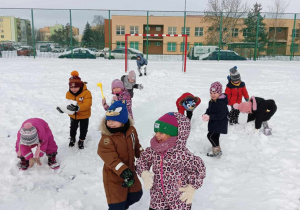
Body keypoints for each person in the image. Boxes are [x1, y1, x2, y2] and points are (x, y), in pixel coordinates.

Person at [136, 112, 206, 210]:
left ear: (174, 134)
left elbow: (199, 168)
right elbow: (142, 160)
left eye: (161, 132)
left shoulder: (182, 153)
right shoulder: (154, 150)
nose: (157, 135)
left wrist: (192, 187)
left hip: (178, 197)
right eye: (156, 132)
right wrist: (143, 172)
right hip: (158, 197)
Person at [98, 100, 143, 210]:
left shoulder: (131, 131)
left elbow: (137, 146)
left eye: (114, 120)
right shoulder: (107, 137)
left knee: (136, 194)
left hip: (130, 171)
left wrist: (144, 156)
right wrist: (123, 170)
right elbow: (109, 157)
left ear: (123, 120)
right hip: (114, 176)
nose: (110, 123)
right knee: (117, 205)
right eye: (108, 120)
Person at [58, 70, 92, 149]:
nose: (73, 89)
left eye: (76, 87)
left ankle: (81, 140)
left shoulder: (86, 93)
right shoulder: (68, 93)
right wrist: (63, 109)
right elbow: (67, 103)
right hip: (73, 116)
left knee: (83, 129)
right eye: (71, 87)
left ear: (80, 86)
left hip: (84, 115)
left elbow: (88, 104)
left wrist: (78, 107)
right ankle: (72, 138)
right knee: (73, 128)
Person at [202, 82, 229, 157]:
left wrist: (210, 117)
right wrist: (206, 114)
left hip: (220, 123)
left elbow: (221, 115)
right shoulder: (211, 101)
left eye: (215, 93)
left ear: (219, 93)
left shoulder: (221, 103)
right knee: (215, 136)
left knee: (210, 136)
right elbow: (209, 109)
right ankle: (216, 149)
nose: (212, 95)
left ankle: (217, 150)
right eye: (211, 93)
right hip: (214, 123)